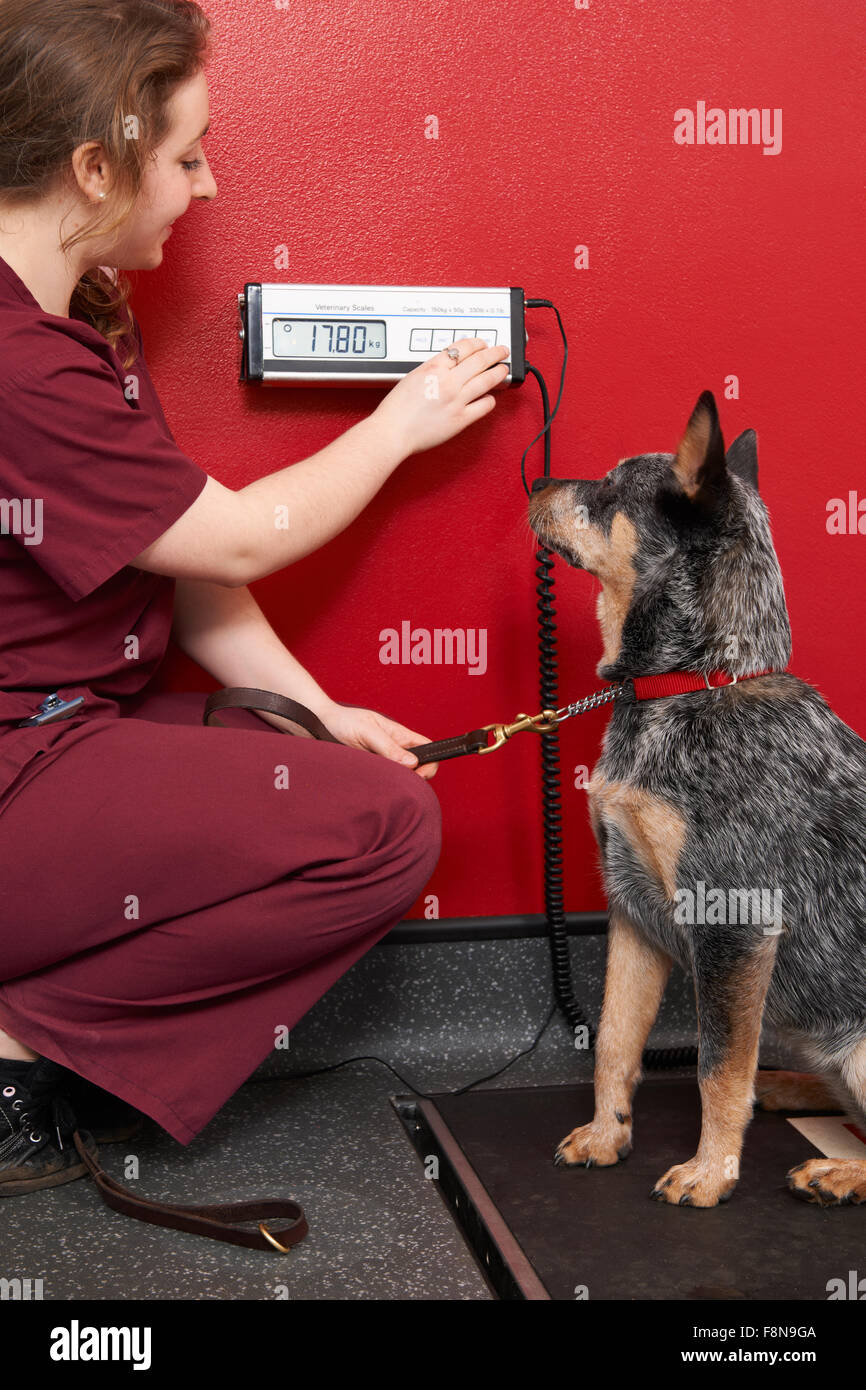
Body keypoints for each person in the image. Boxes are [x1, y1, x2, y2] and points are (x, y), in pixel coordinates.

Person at [0, 0, 510, 1195]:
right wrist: (398, 428)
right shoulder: (14, 363)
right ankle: (14, 1048)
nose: (209, 185)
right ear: (95, 164)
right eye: (182, 157)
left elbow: (190, 579)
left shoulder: (77, 324)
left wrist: (324, 716)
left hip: (64, 741)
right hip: (19, 766)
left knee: (339, 778)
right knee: (386, 831)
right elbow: (233, 539)